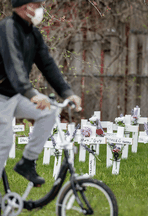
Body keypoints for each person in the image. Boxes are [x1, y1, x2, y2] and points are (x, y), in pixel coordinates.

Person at [0, 0, 81, 186]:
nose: (40, 9)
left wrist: (67, 92)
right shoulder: (7, 28)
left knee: (49, 110)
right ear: (24, 7)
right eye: (36, 5)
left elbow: (47, 64)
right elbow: (14, 65)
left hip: (15, 94)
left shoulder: (32, 33)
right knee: (3, 143)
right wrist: (30, 93)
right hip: (1, 95)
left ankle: (27, 162)